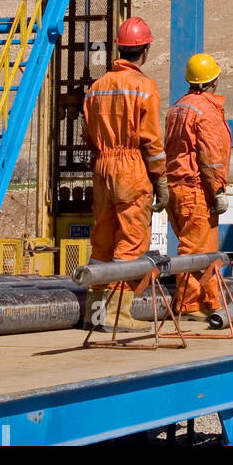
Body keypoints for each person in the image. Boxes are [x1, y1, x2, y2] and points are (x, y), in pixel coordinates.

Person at [81, 17, 168, 329]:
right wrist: (159, 179)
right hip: (131, 167)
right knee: (131, 239)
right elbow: (152, 142)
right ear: (144, 51)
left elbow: (88, 136)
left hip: (103, 166)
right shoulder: (144, 88)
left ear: (119, 48)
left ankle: (94, 314)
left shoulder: (96, 89)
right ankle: (119, 315)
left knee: (102, 237)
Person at [164, 53, 232, 322]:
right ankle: (191, 305)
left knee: (196, 249)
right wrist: (217, 189)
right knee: (196, 251)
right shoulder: (206, 111)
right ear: (213, 79)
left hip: (175, 188)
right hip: (196, 189)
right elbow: (210, 155)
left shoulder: (179, 107)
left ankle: (206, 301)